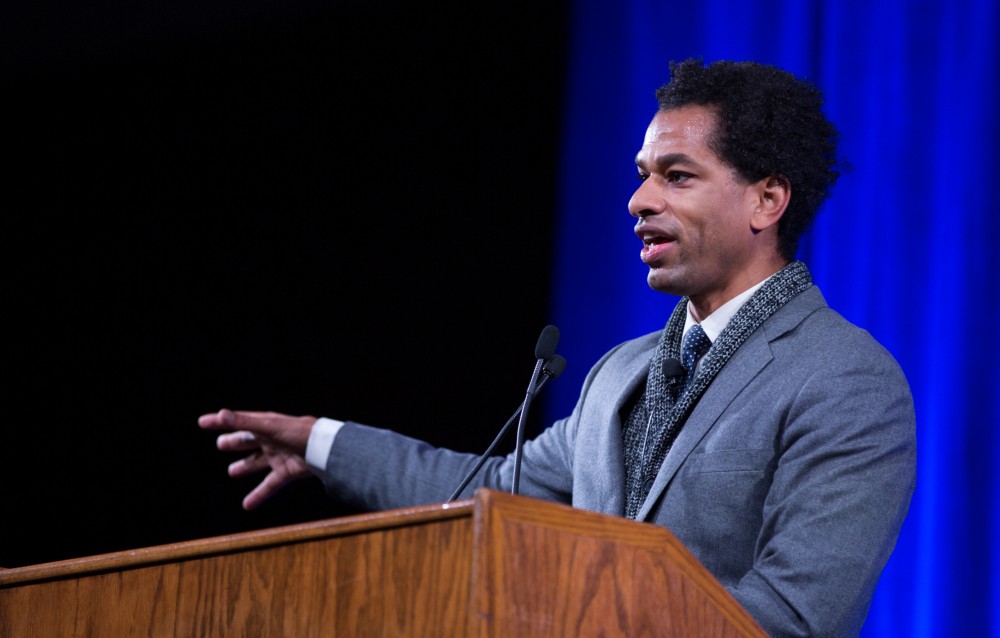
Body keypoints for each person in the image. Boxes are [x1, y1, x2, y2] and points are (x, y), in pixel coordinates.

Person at [199, 58, 916, 637]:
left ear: (767, 200)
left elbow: (794, 619)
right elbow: (485, 494)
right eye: (642, 175)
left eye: (677, 176)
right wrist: (322, 444)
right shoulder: (620, 373)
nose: (639, 201)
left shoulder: (845, 378)